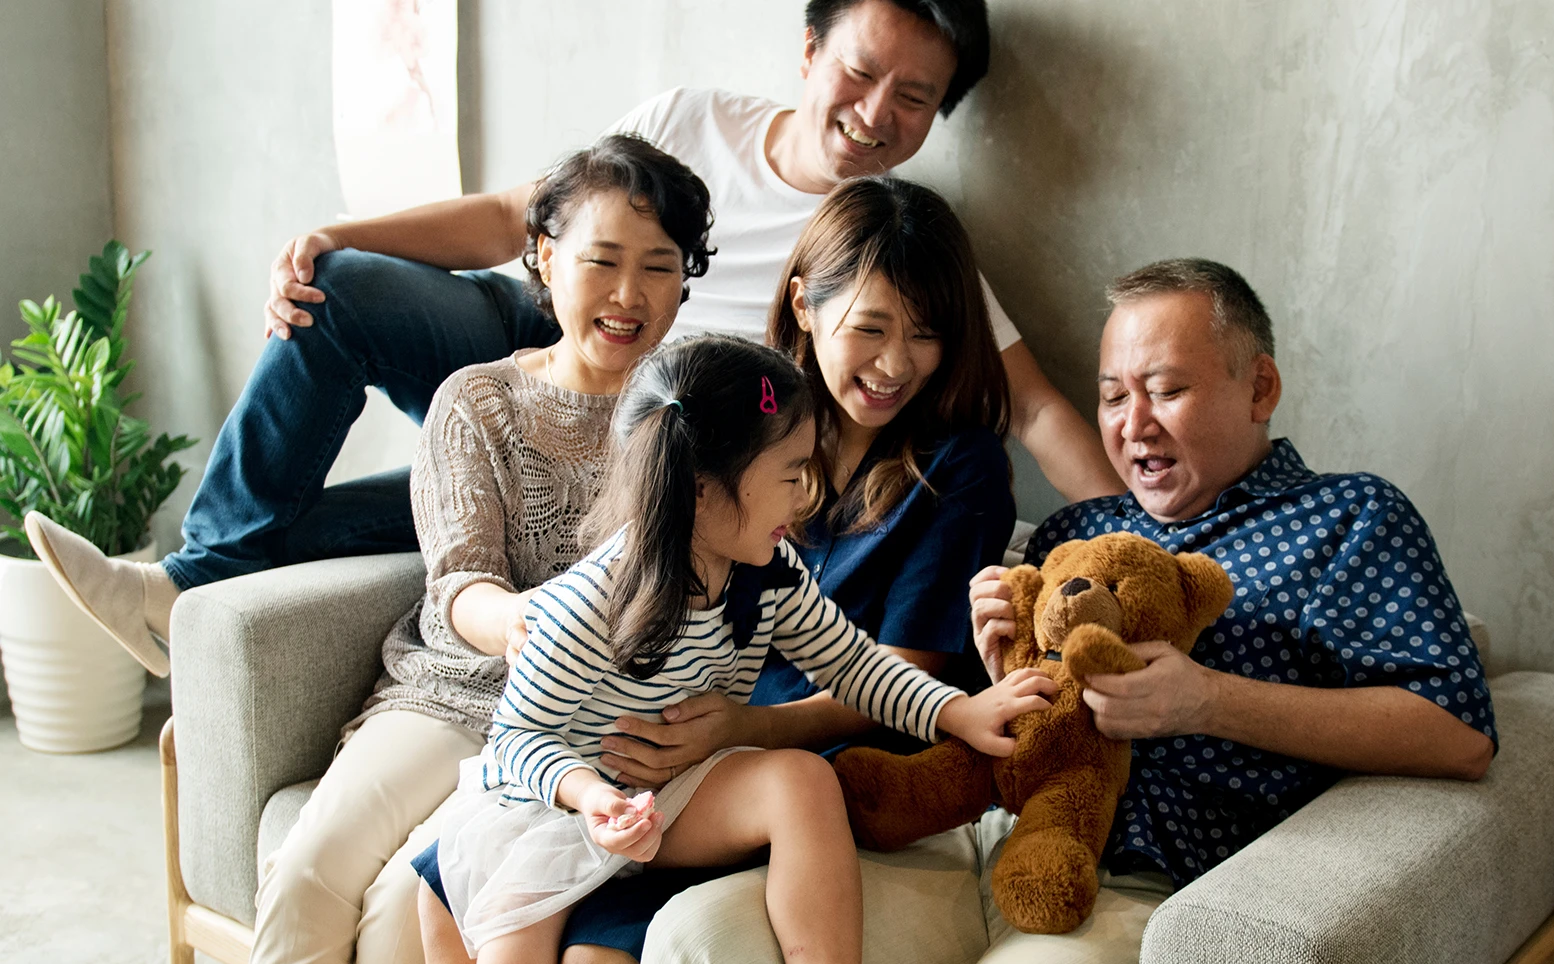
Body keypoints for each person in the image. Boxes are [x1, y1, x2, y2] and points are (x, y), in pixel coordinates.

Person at [26, 0, 1120, 677]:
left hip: (629, 428)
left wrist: (1153, 531)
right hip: (538, 327)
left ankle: (180, 592)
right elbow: (522, 215)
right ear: (808, 49)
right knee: (344, 290)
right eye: (862, 72)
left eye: (914, 99)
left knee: (461, 494)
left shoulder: (893, 250)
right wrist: (337, 234)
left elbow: (1028, 404)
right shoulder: (692, 120)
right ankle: (194, 573)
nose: (877, 112)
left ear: (938, 114)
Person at [640, 259, 1500, 964]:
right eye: (1114, 396)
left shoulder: (1349, 519)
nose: (1133, 424)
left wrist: (1207, 700)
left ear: (1260, 387)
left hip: (1138, 883)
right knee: (697, 940)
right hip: (975, 836)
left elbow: (1458, 734)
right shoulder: (1073, 531)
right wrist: (998, 673)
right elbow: (994, 709)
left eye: (1167, 391)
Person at [415, 175, 1021, 964]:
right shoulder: (590, 605)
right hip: (550, 804)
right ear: (703, 492)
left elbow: (856, 665)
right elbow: (518, 742)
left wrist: (957, 710)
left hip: (667, 788)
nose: (806, 499)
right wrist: (591, 797)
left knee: (803, 785)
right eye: (790, 477)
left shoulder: (768, 570)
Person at [209, 135, 709, 964]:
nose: (629, 295)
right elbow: (459, 580)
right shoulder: (478, 400)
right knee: (305, 872)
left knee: (401, 916)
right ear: (544, 257)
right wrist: (518, 621)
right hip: (447, 693)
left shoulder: (692, 419)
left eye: (659, 268)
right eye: (602, 261)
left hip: (577, 731)